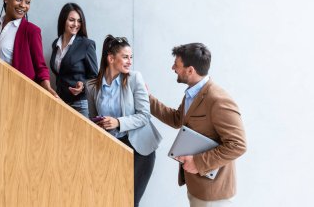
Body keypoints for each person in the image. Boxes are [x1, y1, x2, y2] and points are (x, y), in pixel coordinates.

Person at [149, 43, 246, 207]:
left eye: (177, 65)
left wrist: (198, 163)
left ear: (190, 70)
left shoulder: (218, 100)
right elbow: (177, 119)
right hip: (197, 186)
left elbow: (238, 145)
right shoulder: (192, 93)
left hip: (214, 193)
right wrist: (147, 99)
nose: (173, 68)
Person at [86, 35, 162, 207]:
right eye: (125, 57)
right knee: (111, 199)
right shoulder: (91, 87)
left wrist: (118, 122)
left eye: (131, 57)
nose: (130, 61)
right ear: (111, 58)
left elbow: (144, 115)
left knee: (129, 201)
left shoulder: (135, 78)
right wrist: (101, 123)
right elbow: (92, 121)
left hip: (140, 150)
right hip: (111, 149)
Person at [49, 3, 98, 117]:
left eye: (79, 21)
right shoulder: (55, 44)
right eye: (71, 20)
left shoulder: (87, 44)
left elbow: (95, 78)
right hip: (60, 101)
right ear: (63, 20)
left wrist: (83, 86)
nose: (76, 24)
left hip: (80, 104)